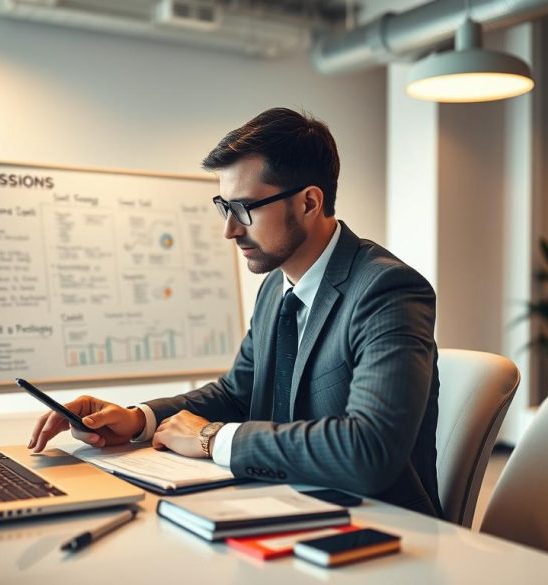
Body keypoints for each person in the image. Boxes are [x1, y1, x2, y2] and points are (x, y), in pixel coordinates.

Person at [28, 107, 442, 516]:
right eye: (223, 207)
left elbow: (369, 448)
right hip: (282, 506)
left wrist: (212, 438)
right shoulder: (276, 289)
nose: (229, 229)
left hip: (381, 527)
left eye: (244, 208)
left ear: (309, 202)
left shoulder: (386, 290)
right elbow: (237, 394)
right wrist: (139, 420)